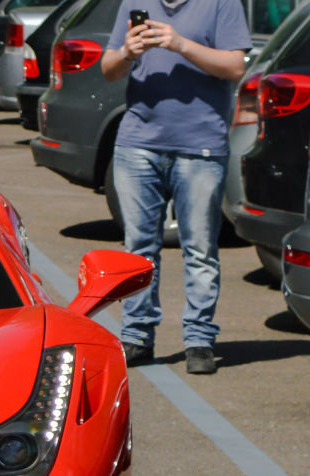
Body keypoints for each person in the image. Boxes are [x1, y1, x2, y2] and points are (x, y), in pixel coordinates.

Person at [101, 1, 250, 374]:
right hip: (138, 143)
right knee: (139, 248)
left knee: (200, 248)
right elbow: (108, 69)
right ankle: (136, 336)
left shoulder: (221, 3)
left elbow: (235, 67)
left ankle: (199, 340)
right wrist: (125, 52)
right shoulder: (135, 2)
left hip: (200, 146)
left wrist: (179, 43)